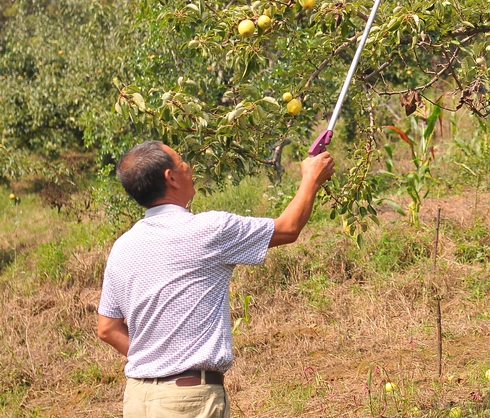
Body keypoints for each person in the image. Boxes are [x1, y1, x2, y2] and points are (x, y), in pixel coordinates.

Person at [97, 141, 335, 418]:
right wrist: (311, 178)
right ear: (170, 177)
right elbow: (288, 228)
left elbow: (107, 328)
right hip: (187, 401)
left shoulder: (123, 247)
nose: (189, 167)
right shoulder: (208, 230)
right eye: (182, 161)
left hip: (138, 400)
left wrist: (155, 361)